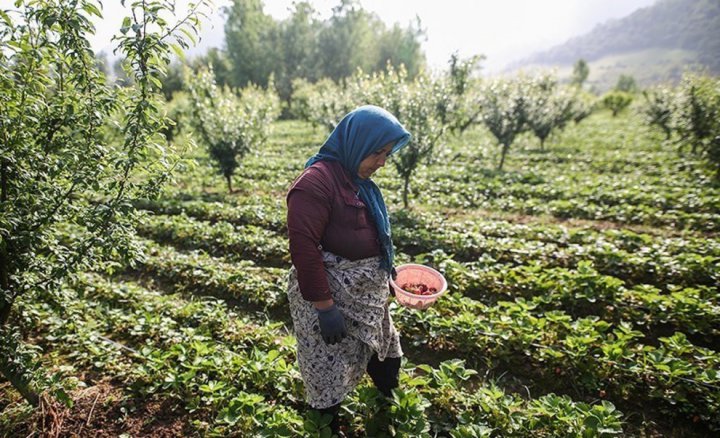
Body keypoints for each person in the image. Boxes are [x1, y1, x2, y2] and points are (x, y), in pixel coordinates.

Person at [285, 105, 411, 434]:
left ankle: (386, 407)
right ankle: (326, 428)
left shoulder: (358, 181)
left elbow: (372, 233)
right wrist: (325, 307)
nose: (382, 162)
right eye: (377, 152)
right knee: (325, 370)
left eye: (387, 153)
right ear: (356, 143)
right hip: (328, 299)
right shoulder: (315, 184)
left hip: (367, 297)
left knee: (386, 352)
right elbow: (303, 249)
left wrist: (387, 273)